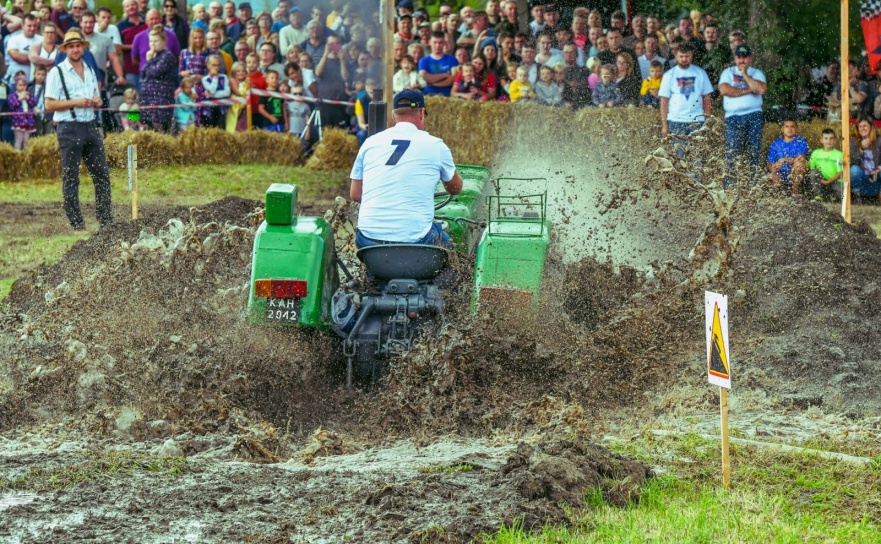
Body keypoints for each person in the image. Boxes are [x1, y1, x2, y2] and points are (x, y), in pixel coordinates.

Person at [349, 89, 463, 249]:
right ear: (422, 113)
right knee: (450, 250)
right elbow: (456, 188)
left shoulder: (370, 143)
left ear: (394, 115)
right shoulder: (436, 146)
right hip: (417, 240)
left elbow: (355, 194)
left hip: (368, 241)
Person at [45, 30, 111, 232]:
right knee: (71, 177)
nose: (75, 49)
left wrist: (97, 101)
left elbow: (95, 97)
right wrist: (75, 102)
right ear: (65, 49)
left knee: (102, 174)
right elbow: (48, 104)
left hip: (90, 125)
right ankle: (77, 224)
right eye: (71, 46)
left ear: (83, 47)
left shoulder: (90, 70)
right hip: (69, 128)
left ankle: (106, 221)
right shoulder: (56, 72)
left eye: (78, 45)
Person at [719, 44, 766, 186]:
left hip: (754, 116)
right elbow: (725, 90)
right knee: (732, 150)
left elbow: (760, 89)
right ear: (735, 58)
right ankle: (730, 186)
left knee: (754, 150)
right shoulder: (727, 73)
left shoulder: (757, 73)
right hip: (733, 117)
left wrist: (745, 74)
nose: (742, 60)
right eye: (739, 57)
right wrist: (748, 90)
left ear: (750, 58)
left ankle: (752, 186)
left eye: (744, 57)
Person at [658, 42, 713, 148]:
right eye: (681, 56)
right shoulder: (669, 74)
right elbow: (664, 101)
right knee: (679, 157)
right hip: (675, 120)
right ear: (676, 56)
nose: (684, 59)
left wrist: (707, 122)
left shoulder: (700, 73)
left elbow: (707, 99)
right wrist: (664, 125)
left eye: (687, 56)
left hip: (697, 120)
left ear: (691, 55)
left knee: (697, 156)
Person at [139, 25, 176, 132]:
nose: (152, 44)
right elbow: (143, 73)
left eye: (156, 41)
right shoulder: (153, 55)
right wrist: (149, 60)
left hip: (161, 96)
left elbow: (155, 72)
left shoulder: (167, 55)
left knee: (158, 125)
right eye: (151, 41)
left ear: (164, 41)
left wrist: (149, 60)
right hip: (148, 96)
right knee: (147, 125)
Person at [767, 118, 809, 194]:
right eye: (787, 126)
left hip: (794, 174)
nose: (789, 129)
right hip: (780, 174)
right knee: (770, 176)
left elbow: (801, 158)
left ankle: (794, 194)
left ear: (797, 129)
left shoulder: (801, 141)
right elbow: (770, 163)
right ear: (782, 129)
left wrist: (784, 160)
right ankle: (780, 194)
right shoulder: (776, 143)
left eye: (792, 126)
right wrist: (773, 172)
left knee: (800, 164)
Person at [847, 116, 881, 202]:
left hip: (877, 179)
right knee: (854, 170)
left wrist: (879, 169)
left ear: (871, 127)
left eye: (865, 126)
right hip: (862, 179)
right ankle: (857, 196)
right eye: (860, 126)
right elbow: (850, 161)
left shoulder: (879, 140)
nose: (862, 128)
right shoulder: (853, 141)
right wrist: (861, 148)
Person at [804, 128, 843, 200]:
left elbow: (840, 172)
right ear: (821, 140)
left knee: (841, 190)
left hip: (835, 181)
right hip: (821, 181)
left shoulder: (839, 155)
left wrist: (828, 181)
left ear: (835, 141)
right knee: (813, 172)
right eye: (826, 138)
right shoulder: (816, 153)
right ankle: (819, 195)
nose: (828, 141)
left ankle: (833, 196)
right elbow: (811, 168)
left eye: (831, 138)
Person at [419, 31, 457, 96]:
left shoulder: (452, 59)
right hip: (428, 95)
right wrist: (445, 75)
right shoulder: (424, 60)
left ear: (444, 43)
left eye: (440, 43)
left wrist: (434, 84)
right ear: (430, 42)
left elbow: (453, 79)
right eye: (435, 42)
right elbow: (425, 77)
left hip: (447, 96)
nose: (437, 45)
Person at [199, 54, 229, 127]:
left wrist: (213, 95)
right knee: (209, 128)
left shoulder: (224, 77)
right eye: (214, 65)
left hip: (221, 109)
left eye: (218, 65)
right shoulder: (205, 79)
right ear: (208, 65)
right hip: (209, 109)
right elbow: (212, 90)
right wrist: (215, 78)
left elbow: (227, 92)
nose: (216, 67)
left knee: (221, 127)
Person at [8, 74, 36, 150]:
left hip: (28, 121)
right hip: (18, 122)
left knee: (26, 141)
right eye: (20, 85)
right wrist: (20, 99)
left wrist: (27, 98)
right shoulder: (13, 96)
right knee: (18, 140)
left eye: (24, 85)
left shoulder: (29, 95)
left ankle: (26, 157)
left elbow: (33, 103)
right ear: (16, 85)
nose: (22, 87)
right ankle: (18, 157)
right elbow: (12, 106)